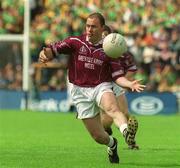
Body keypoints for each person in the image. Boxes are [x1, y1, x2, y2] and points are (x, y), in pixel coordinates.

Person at [39, 12, 145, 164]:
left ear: (102, 28)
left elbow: (117, 76)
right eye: (88, 26)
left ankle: (125, 131)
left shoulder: (109, 50)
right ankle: (112, 144)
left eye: (93, 27)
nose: (89, 29)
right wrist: (44, 54)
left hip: (100, 86)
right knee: (98, 137)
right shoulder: (75, 42)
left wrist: (129, 84)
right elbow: (52, 50)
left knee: (113, 109)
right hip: (79, 90)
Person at [101, 25, 139, 149]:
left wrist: (125, 82)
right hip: (101, 85)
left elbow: (132, 68)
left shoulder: (121, 52)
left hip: (116, 83)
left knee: (124, 113)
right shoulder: (96, 50)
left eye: (106, 34)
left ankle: (131, 141)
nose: (104, 37)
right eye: (102, 35)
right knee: (107, 119)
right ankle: (106, 129)